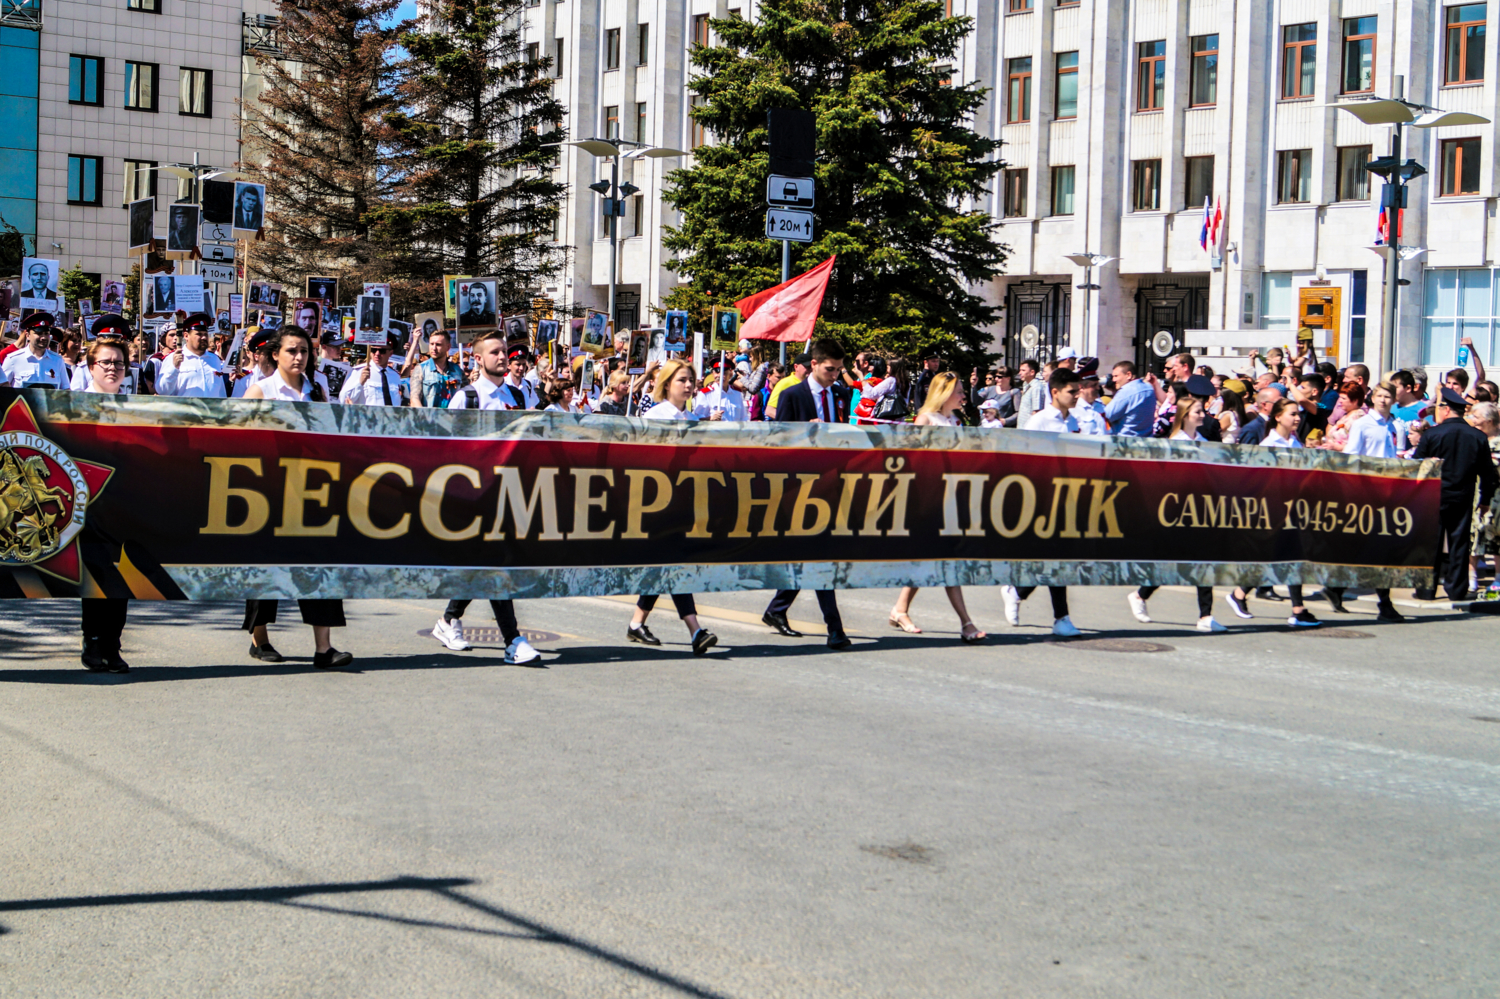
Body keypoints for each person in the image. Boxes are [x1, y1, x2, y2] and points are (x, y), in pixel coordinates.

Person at [432, 330, 542, 665]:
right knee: (495, 562)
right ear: (477, 358)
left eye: (504, 351)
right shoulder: (466, 398)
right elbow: (447, 449)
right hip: (475, 498)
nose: (502, 356)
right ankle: (513, 640)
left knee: (482, 564)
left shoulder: (517, 397)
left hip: (508, 493)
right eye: (494, 352)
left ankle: (449, 619)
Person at [622, 358, 720, 655]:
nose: (689, 385)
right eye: (682, 380)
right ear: (666, 384)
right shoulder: (657, 415)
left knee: (663, 565)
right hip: (657, 502)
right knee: (674, 563)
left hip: (683, 501)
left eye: (691, 380)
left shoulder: (690, 419)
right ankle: (695, 630)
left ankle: (637, 623)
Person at [762, 339, 852, 649]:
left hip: (830, 484)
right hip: (799, 488)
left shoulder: (842, 394)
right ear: (813, 364)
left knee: (811, 556)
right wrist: (805, 432)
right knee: (820, 557)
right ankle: (835, 628)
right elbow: (778, 443)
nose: (835, 375)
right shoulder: (792, 395)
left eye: (840, 370)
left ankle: (776, 610)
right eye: (830, 369)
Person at [888, 372, 987, 642]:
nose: (963, 395)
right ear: (944, 393)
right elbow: (914, 461)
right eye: (959, 390)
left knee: (929, 560)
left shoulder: (954, 420)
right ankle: (966, 623)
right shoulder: (926, 420)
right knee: (946, 560)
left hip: (951, 496)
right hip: (929, 500)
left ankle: (900, 609)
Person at [1128, 393, 1233, 633]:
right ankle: (1140, 594)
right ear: (1186, 416)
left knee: (1203, 561)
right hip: (1177, 511)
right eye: (1197, 411)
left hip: (1200, 509)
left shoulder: (1203, 440)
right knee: (1173, 561)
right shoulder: (1175, 442)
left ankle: (1205, 616)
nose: (1202, 415)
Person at [1001, 368, 1083, 636]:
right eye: (1072, 391)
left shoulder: (1077, 421)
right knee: (1053, 558)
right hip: (1042, 498)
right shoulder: (1039, 422)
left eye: (1078, 389)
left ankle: (1017, 591)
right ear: (1055, 392)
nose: (1077, 395)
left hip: (1068, 496)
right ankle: (1061, 617)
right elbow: (1024, 460)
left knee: (1054, 559)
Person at [1412, 387, 1500, 601]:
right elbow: (1488, 474)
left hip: (1433, 496)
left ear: (1445, 410)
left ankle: (1426, 589)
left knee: (1430, 542)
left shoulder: (1432, 434)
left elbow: (1415, 465)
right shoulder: (1478, 437)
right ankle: (1457, 589)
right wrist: (1486, 499)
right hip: (1463, 496)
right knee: (1459, 543)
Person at [241, 327, 329, 402]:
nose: (299, 357)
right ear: (275, 354)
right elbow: (236, 421)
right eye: (292, 351)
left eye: (303, 351)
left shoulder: (316, 390)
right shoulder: (260, 390)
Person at [157, 313, 229, 397]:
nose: (204, 338)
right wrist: (174, 368)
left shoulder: (214, 359)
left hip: (210, 409)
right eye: (199, 334)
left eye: (205, 334)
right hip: (185, 409)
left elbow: (221, 392)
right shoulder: (173, 358)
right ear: (186, 336)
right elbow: (162, 391)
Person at [3, 313, 69, 389]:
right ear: (27, 335)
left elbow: (66, 390)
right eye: (39, 334)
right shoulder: (13, 360)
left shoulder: (57, 360)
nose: (44, 337)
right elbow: (3, 391)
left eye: (46, 334)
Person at [338, 334, 404, 405]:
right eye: (374, 350)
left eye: (382, 351)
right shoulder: (359, 371)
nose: (377, 354)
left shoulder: (395, 375)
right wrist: (360, 382)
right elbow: (343, 399)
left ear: (390, 353)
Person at [411, 329, 463, 408]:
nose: (434, 348)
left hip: (452, 418)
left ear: (448, 347)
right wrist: (424, 417)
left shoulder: (457, 370)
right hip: (430, 418)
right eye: (431, 344)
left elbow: (465, 396)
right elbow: (414, 399)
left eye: (438, 345)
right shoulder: (421, 369)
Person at [765, 352, 810, 419]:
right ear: (796, 367)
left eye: (811, 367)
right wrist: (791, 423)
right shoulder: (784, 383)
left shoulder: (813, 384)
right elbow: (770, 411)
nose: (810, 369)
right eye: (806, 366)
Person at [316, 329, 352, 399]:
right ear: (324, 347)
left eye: (340, 346)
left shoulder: (341, 365)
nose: (339, 349)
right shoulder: (315, 364)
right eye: (335, 346)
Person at [1014, 358, 1045, 426]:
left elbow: (1037, 411)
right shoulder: (1026, 386)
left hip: (1029, 430)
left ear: (1032, 372)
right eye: (1020, 370)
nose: (1020, 373)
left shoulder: (1036, 387)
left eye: (1023, 370)